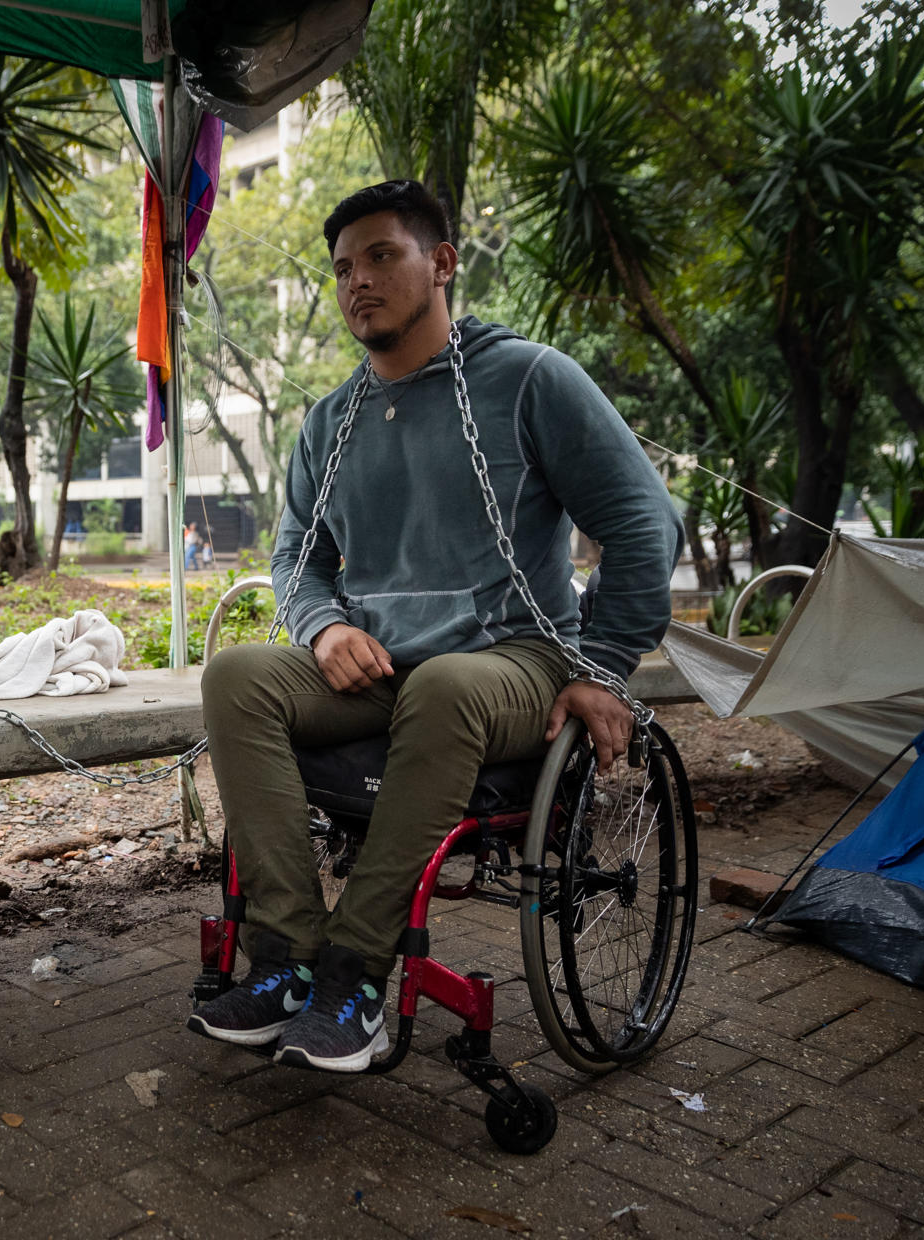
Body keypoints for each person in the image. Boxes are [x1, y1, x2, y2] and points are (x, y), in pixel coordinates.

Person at [188, 179, 681, 1072]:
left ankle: (357, 972)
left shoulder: (531, 379)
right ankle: (288, 956)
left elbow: (645, 521)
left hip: (511, 658)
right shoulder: (330, 420)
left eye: (382, 256)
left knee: (449, 685)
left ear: (442, 262)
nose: (358, 282)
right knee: (235, 676)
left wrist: (601, 666)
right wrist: (323, 627)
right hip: (377, 666)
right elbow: (298, 553)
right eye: (342, 268)